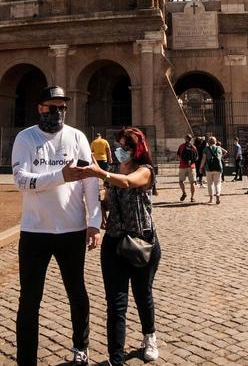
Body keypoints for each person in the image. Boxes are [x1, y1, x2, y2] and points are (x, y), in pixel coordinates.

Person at [12, 85, 101, 365]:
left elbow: (90, 181)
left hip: (72, 229)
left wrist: (95, 222)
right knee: (29, 299)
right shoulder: (25, 138)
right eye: (53, 108)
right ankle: (26, 359)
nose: (58, 112)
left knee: (76, 291)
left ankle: (81, 347)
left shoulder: (77, 137)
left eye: (63, 108)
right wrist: (60, 176)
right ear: (40, 108)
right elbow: (21, 181)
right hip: (34, 230)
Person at [78, 127, 160, 364]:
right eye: (119, 146)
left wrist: (99, 173)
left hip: (141, 241)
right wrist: (101, 208)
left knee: (143, 294)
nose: (120, 150)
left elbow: (126, 182)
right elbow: (108, 198)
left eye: (125, 147)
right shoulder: (113, 169)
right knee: (115, 303)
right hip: (114, 241)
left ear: (137, 149)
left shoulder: (146, 171)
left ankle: (149, 337)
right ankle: (116, 359)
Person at [202, 136, 226, 204]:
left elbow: (204, 159)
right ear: (215, 141)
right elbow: (222, 155)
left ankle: (211, 199)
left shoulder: (206, 149)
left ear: (208, 142)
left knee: (210, 184)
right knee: (218, 183)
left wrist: (201, 167)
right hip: (218, 168)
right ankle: (218, 195)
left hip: (208, 168)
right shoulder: (219, 148)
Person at [175, 134, 198, 202]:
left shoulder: (181, 146)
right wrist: (191, 162)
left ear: (185, 139)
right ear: (191, 139)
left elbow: (178, 156)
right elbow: (196, 157)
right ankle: (192, 197)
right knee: (192, 182)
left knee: (181, 181)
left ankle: (184, 192)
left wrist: (183, 160)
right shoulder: (194, 147)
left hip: (182, 166)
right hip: (191, 167)